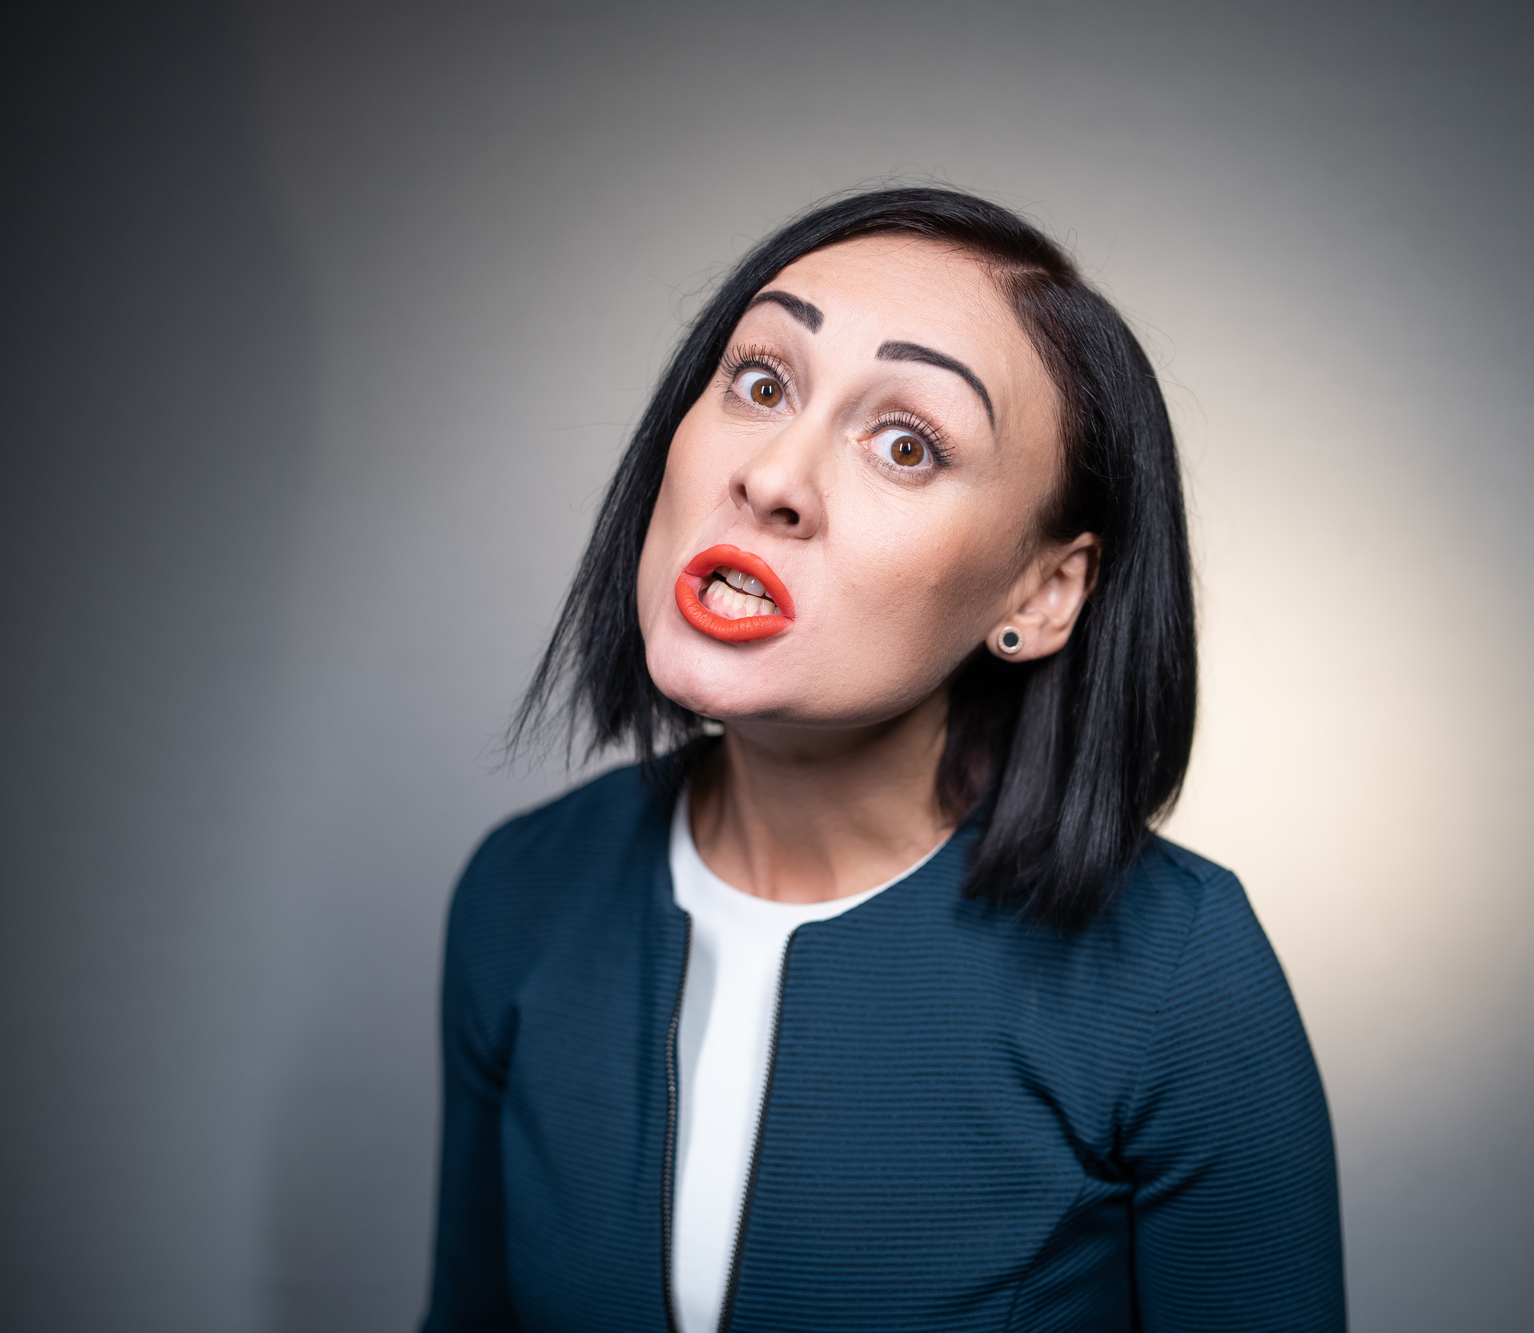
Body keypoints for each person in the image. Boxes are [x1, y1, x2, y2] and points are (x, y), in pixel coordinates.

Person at [422, 187, 1343, 1332]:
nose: (771, 479)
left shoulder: (1176, 975)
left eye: (904, 443)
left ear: (1041, 591)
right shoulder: (521, 893)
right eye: (761, 383)